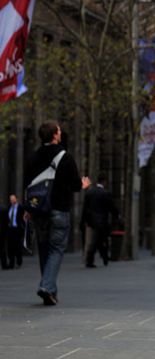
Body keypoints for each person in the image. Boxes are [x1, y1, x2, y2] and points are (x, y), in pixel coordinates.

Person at [25, 120, 90, 305]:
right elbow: (75, 185)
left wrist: (28, 209)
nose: (61, 132)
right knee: (56, 250)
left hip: (39, 210)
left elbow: (28, 185)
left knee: (45, 250)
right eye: (59, 130)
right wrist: (83, 184)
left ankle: (51, 291)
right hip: (59, 210)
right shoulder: (65, 157)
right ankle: (46, 286)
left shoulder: (33, 157)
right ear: (54, 135)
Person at [80, 172, 119, 268]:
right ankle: (99, 258)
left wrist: (83, 221)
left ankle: (101, 257)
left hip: (91, 221)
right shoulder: (105, 193)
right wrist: (117, 216)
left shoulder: (89, 192)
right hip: (102, 220)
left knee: (98, 239)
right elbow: (112, 207)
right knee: (99, 240)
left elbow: (85, 208)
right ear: (105, 182)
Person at [6, 194, 25, 269]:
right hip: (10, 229)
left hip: (17, 229)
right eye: (11, 199)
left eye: (13, 199)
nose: (12, 200)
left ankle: (19, 260)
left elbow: (23, 218)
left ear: (16, 199)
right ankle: (11, 263)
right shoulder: (9, 208)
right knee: (10, 246)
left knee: (17, 246)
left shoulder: (20, 208)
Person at [0, 203, 9, 269]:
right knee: (2, 248)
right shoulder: (4, 209)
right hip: (2, 232)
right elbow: (7, 221)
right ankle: (4, 265)